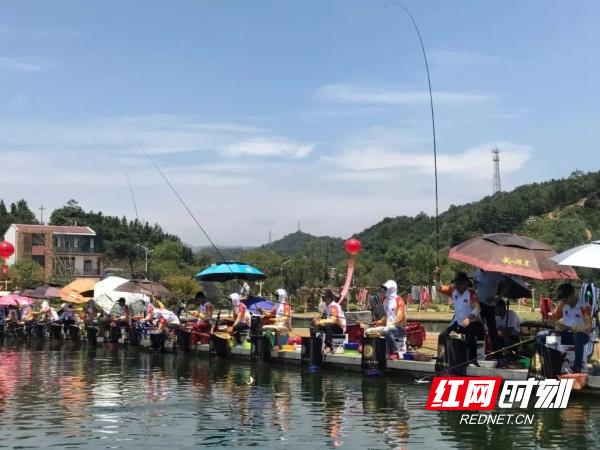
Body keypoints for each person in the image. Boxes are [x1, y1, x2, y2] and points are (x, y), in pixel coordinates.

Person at [436, 271, 484, 364]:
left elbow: (477, 308)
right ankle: (441, 359)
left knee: (470, 337)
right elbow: (439, 287)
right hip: (458, 324)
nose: (457, 285)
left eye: (459, 283)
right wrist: (437, 275)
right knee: (442, 335)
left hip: (473, 323)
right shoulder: (453, 291)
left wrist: (468, 319)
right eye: (456, 283)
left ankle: (472, 361)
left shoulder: (471, 293)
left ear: (465, 283)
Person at [549, 283, 592, 373]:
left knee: (577, 336)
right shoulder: (563, 305)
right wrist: (550, 318)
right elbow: (555, 318)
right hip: (567, 334)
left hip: (582, 335)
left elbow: (588, 326)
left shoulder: (584, 307)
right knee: (550, 335)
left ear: (572, 295)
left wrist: (570, 328)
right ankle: (552, 364)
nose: (564, 301)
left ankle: (577, 366)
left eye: (565, 299)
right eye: (562, 300)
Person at [365, 280, 406, 360]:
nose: (384, 290)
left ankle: (394, 352)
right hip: (388, 328)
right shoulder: (385, 301)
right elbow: (386, 317)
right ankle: (373, 351)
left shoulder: (399, 300)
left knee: (386, 330)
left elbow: (400, 318)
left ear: (392, 289)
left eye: (386, 288)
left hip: (399, 328)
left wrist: (390, 325)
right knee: (368, 331)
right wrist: (377, 322)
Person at [473, 269, 507, 352]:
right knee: (479, 329)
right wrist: (474, 284)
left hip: (488, 305)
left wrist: (497, 298)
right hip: (478, 304)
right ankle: (480, 353)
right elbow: (475, 287)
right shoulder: (477, 272)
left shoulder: (494, 273)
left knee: (492, 330)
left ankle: (496, 353)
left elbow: (507, 285)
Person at [310, 289, 346, 355]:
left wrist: (320, 322)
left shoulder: (334, 306)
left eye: (324, 297)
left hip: (339, 328)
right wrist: (316, 320)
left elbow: (333, 320)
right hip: (331, 327)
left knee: (327, 325)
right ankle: (315, 343)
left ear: (329, 298)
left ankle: (329, 346)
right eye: (322, 296)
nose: (322, 298)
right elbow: (322, 317)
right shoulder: (326, 306)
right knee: (313, 326)